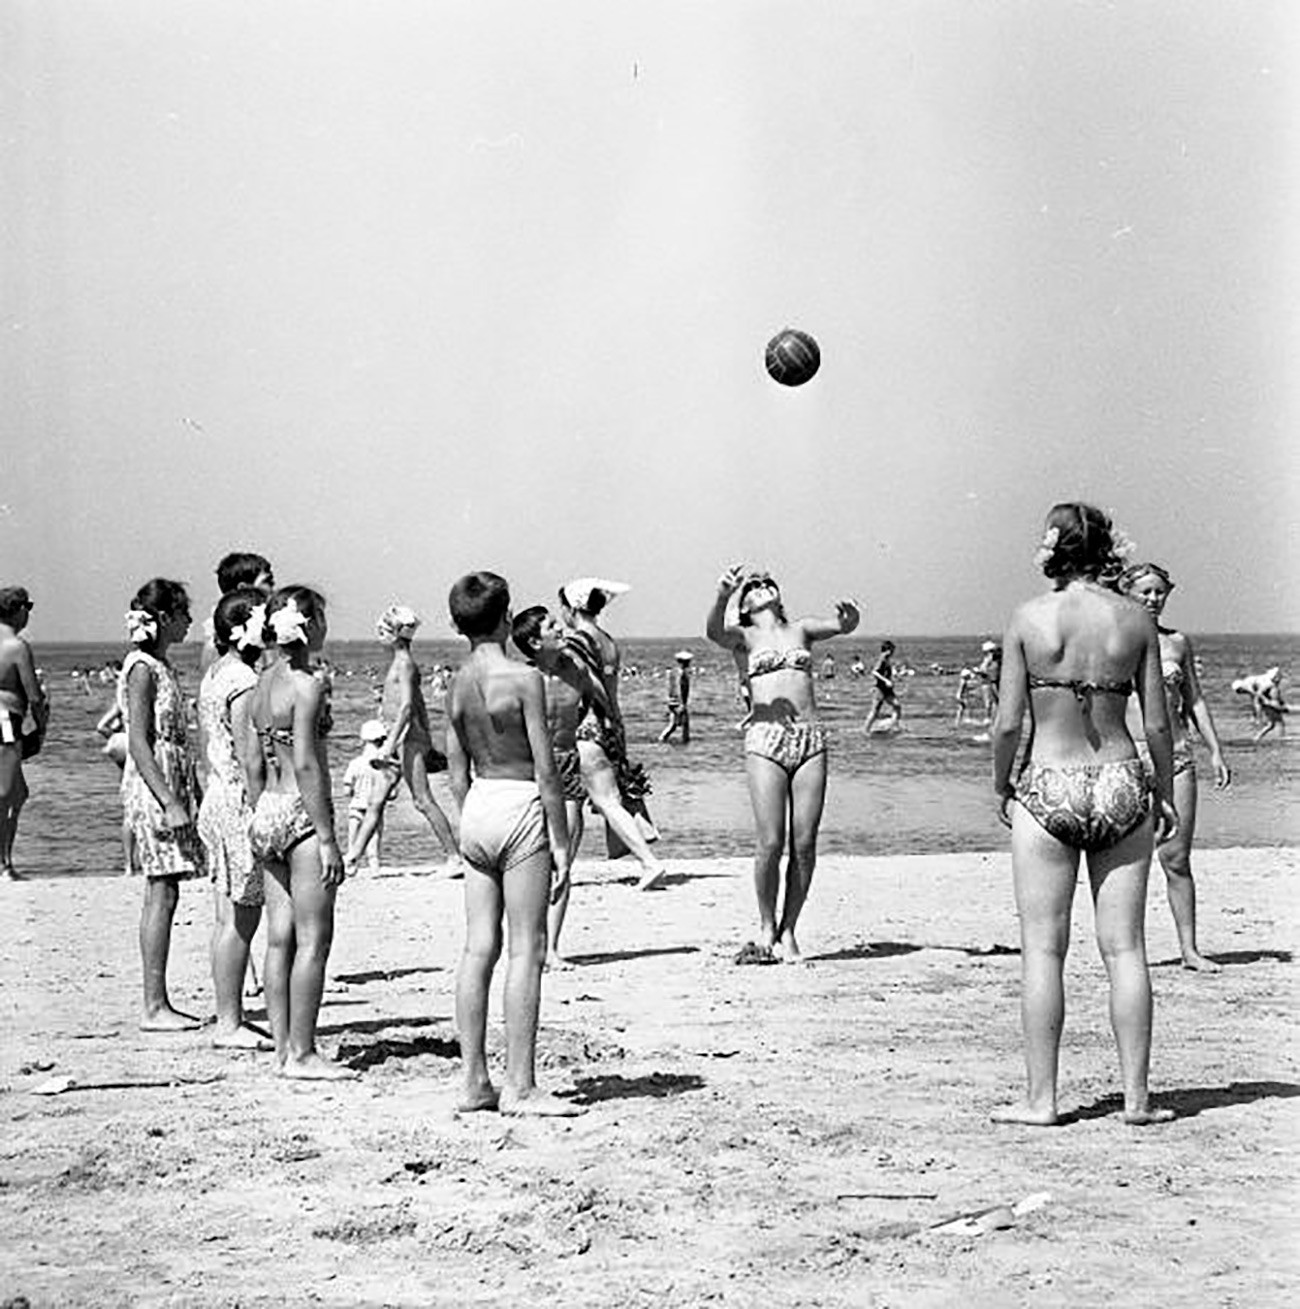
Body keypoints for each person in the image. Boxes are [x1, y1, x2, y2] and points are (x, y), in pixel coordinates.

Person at [991, 503, 1177, 1127]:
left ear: (1053, 551)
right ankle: (1137, 1101)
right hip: (1123, 780)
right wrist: (1167, 792)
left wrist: (1003, 784)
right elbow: (1155, 721)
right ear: (1109, 550)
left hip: (1050, 780)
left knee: (1043, 950)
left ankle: (1042, 1100)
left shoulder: (1029, 618)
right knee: (1126, 948)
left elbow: (1009, 722)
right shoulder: (1136, 620)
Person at [445, 572, 578, 1116]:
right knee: (528, 949)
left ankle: (474, 1079)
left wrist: (468, 816)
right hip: (520, 798)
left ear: (457, 625)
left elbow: (454, 771)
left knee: (478, 948)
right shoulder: (524, 678)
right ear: (507, 617)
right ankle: (520, 1085)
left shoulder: (455, 682)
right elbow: (547, 770)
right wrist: (562, 842)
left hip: (478, 803)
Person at [706, 566, 860, 963]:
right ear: (744, 606)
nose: (761, 587)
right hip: (765, 740)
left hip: (811, 738)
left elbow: (842, 626)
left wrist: (849, 618)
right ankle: (766, 926)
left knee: (805, 843)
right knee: (770, 841)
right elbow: (714, 632)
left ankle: (789, 930)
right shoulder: (744, 637)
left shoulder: (802, 630)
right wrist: (723, 594)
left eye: (766, 583)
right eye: (752, 587)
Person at [244, 586, 353, 1081]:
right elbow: (308, 762)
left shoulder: (261, 682)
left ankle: (282, 1047)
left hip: (266, 804)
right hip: (298, 809)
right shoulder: (308, 684)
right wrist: (328, 836)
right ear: (308, 625)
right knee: (314, 938)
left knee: (277, 938)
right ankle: (304, 1053)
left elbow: (252, 759)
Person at [1120, 562, 1231, 972]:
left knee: (1176, 857)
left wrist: (1216, 750)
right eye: (1144, 592)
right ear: (1127, 593)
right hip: (1127, 760)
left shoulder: (1177, 644)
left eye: (1159, 592)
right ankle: (1129, 951)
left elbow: (1195, 699)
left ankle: (1189, 950)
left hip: (1178, 758)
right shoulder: (1113, 642)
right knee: (1129, 862)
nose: (1153, 599)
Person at [117, 580, 207, 1029]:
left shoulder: (160, 663)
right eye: (184, 614)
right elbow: (137, 740)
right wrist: (169, 799)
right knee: (161, 889)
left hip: (171, 776)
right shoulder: (142, 669)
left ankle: (159, 1001)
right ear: (166, 618)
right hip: (155, 784)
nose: (190, 621)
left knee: (166, 889)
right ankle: (154, 1004)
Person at [512, 604, 609, 967]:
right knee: (530, 857)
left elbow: (601, 705)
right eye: (552, 625)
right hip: (529, 768)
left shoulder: (577, 669)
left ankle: (552, 948)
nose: (561, 628)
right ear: (536, 642)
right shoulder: (523, 678)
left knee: (564, 856)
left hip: (566, 763)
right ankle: (530, 941)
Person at [196, 587, 273, 1048]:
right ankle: (230, 1022)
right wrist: (263, 808)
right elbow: (251, 755)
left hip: (216, 795)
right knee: (241, 917)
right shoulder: (243, 679)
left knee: (227, 913)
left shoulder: (215, 673)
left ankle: (230, 1013)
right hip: (237, 799)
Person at [559, 578, 668, 891]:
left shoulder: (577, 641)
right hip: (609, 725)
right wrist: (614, 724)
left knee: (601, 800)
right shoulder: (607, 640)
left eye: (563, 608)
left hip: (588, 726)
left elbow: (589, 684)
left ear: (572, 608)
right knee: (584, 799)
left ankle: (648, 862)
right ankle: (562, 867)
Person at [344, 605, 459, 873]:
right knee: (376, 799)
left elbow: (407, 707)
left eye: (384, 630)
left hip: (408, 740)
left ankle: (453, 856)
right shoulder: (398, 663)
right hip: (397, 739)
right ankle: (354, 855)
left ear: (396, 633)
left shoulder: (405, 664)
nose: (380, 634)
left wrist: (388, 745)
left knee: (422, 799)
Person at [0, 587, 49, 880]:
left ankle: (6, 860)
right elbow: (33, 696)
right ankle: (3, 864)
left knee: (18, 792)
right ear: (18, 609)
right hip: (6, 720)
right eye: (27, 607)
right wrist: (42, 725)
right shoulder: (16, 646)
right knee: (6, 794)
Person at [199, 552, 275, 675]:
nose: (273, 590)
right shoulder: (215, 647)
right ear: (243, 588)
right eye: (268, 582)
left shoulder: (259, 637)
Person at [343, 720, 399, 874]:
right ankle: (374, 868)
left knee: (353, 839)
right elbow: (392, 794)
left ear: (362, 740)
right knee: (374, 839)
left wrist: (354, 792)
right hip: (376, 811)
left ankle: (352, 865)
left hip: (356, 808)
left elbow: (347, 790)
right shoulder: (386, 766)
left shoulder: (355, 764)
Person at [864, 640, 902, 732]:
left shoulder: (887, 659)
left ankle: (894, 725)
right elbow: (874, 672)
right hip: (880, 689)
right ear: (888, 650)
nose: (893, 652)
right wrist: (886, 681)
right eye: (892, 650)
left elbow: (886, 672)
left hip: (887, 690)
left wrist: (894, 675)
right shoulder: (882, 659)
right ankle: (866, 730)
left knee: (897, 705)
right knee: (875, 711)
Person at [658, 651, 693, 744]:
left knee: (677, 724)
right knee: (676, 724)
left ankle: (665, 739)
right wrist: (682, 704)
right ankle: (663, 739)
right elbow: (681, 688)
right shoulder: (682, 674)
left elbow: (671, 688)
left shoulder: (674, 673)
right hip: (679, 702)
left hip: (673, 701)